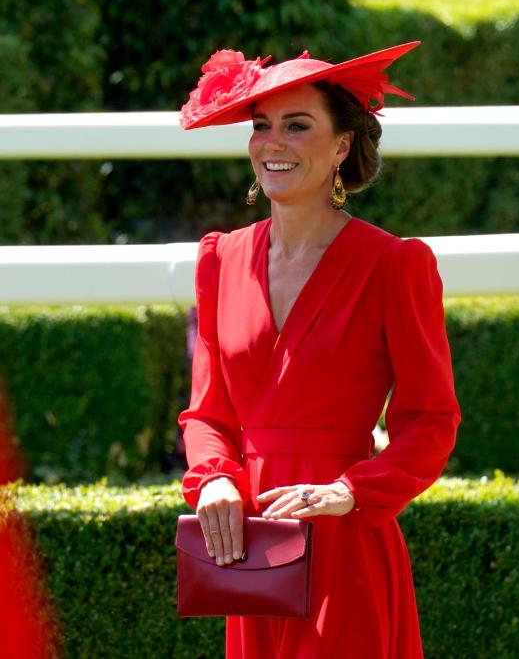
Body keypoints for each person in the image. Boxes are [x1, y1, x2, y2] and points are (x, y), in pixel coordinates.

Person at [177, 43, 461, 658]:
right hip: (250, 542)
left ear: (341, 146)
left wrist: (355, 491)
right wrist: (216, 483)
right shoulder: (220, 259)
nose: (272, 143)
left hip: (345, 539)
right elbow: (207, 414)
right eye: (261, 126)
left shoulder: (394, 265)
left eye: (297, 125)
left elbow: (431, 420)